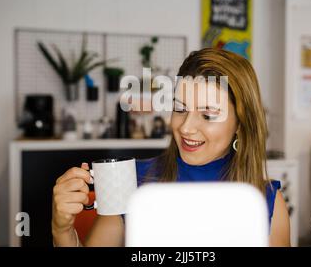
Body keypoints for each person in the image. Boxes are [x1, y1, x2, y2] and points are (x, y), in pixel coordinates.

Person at [52, 48, 291, 247]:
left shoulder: (267, 200)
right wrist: (62, 230)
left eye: (208, 114)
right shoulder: (132, 180)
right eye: (180, 108)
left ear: (240, 123)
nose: (186, 127)